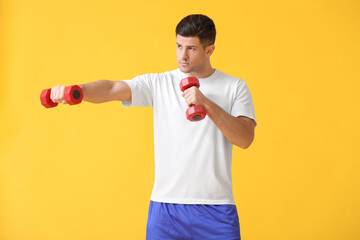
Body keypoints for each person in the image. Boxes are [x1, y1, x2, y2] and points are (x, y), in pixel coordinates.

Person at [50, 14, 256, 240]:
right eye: (178, 46)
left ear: (210, 50)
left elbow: (245, 138)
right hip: (166, 208)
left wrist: (206, 102)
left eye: (191, 48)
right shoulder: (160, 83)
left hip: (216, 209)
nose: (182, 55)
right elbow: (111, 88)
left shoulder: (234, 87)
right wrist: (77, 90)